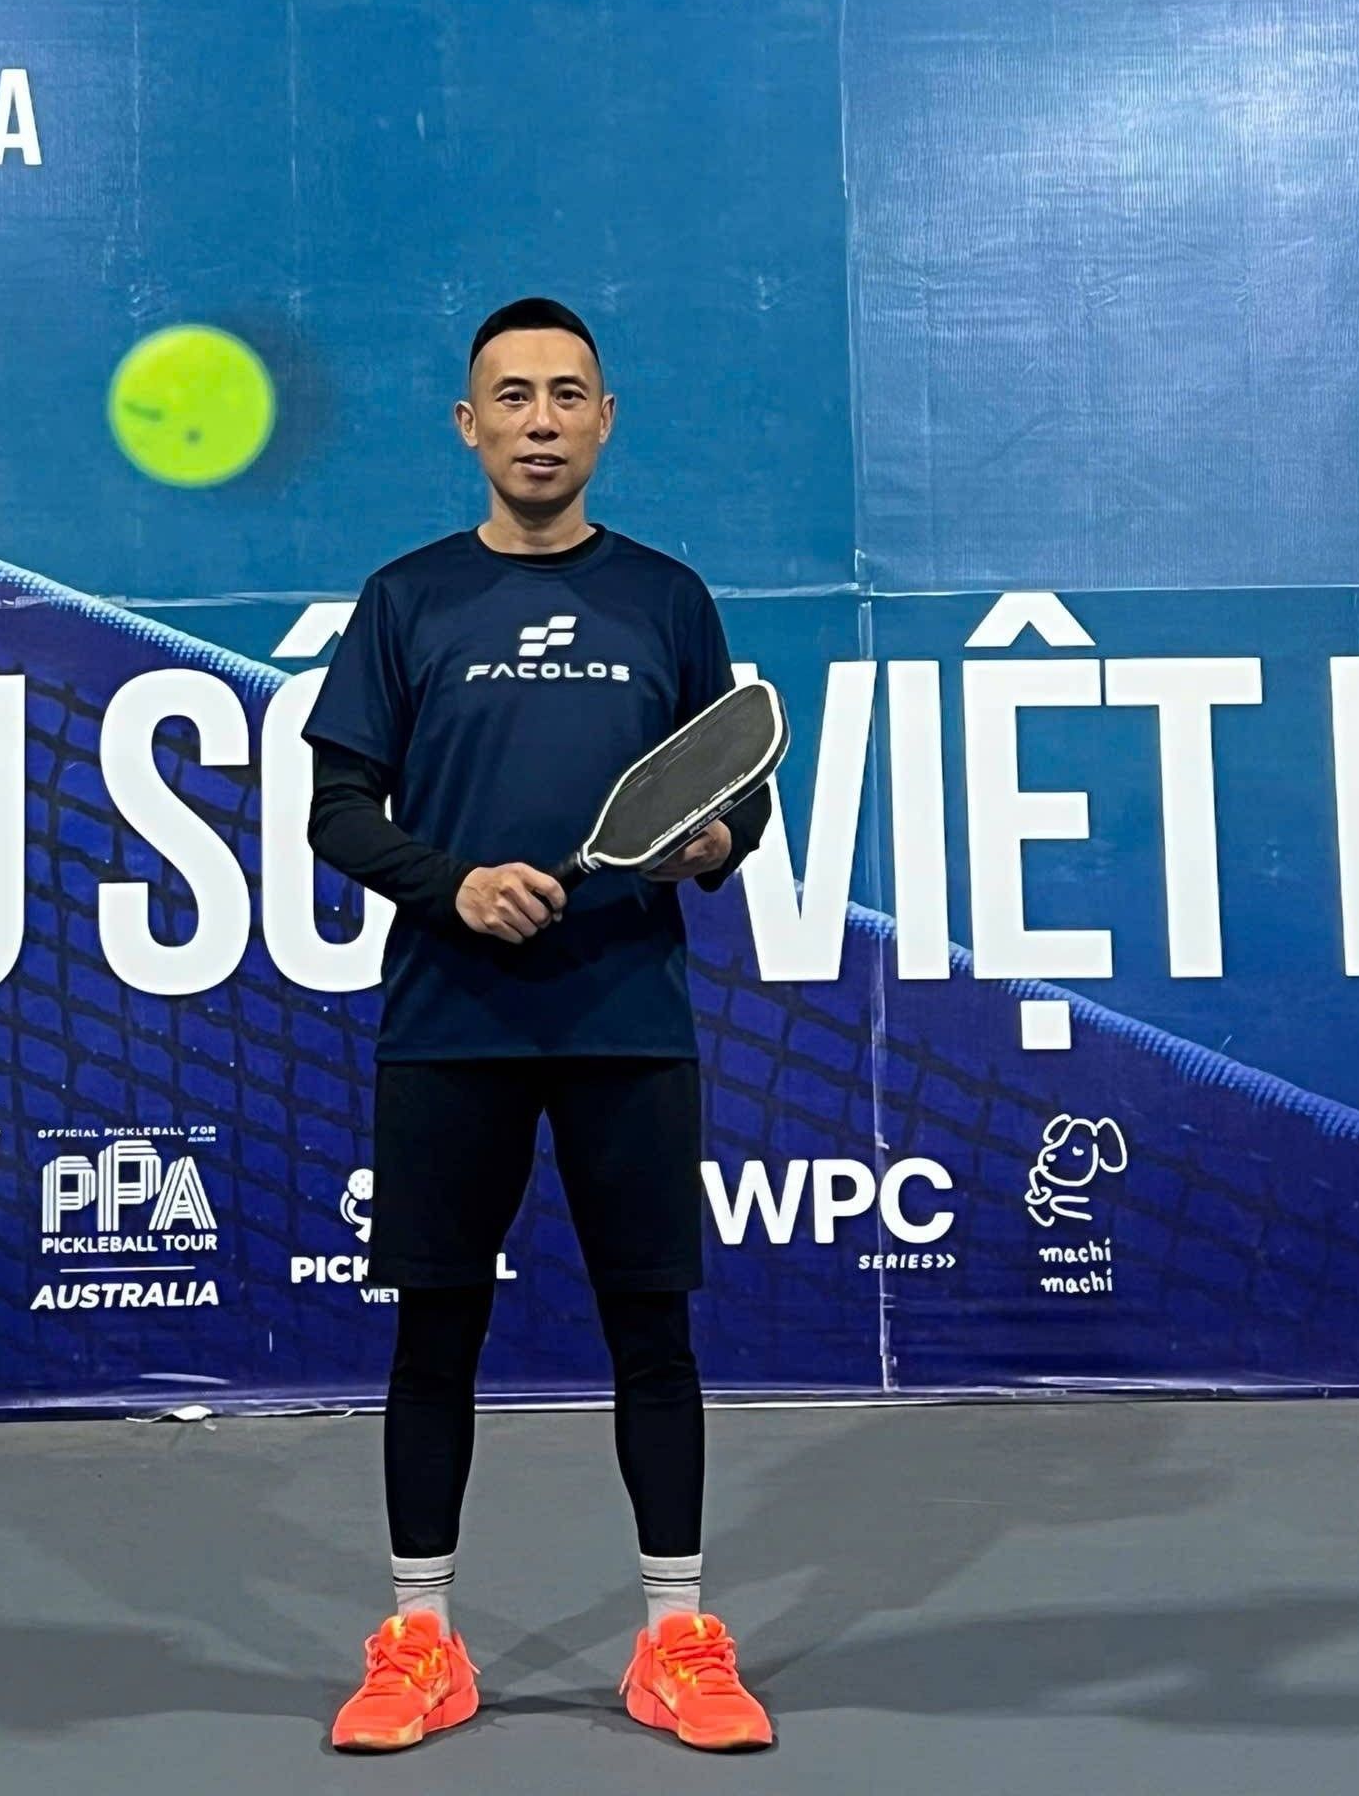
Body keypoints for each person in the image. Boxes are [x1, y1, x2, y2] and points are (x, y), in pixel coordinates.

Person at [303, 296, 774, 1753]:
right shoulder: (408, 600)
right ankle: (420, 1642)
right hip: (451, 1025)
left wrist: (716, 843)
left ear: (605, 419)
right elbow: (337, 810)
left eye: (569, 394)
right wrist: (452, 885)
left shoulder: (667, 600)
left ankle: (676, 1640)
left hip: (628, 1020)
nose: (541, 421)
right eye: (512, 396)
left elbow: (733, 789)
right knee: (436, 1332)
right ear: (469, 425)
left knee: (653, 1332)